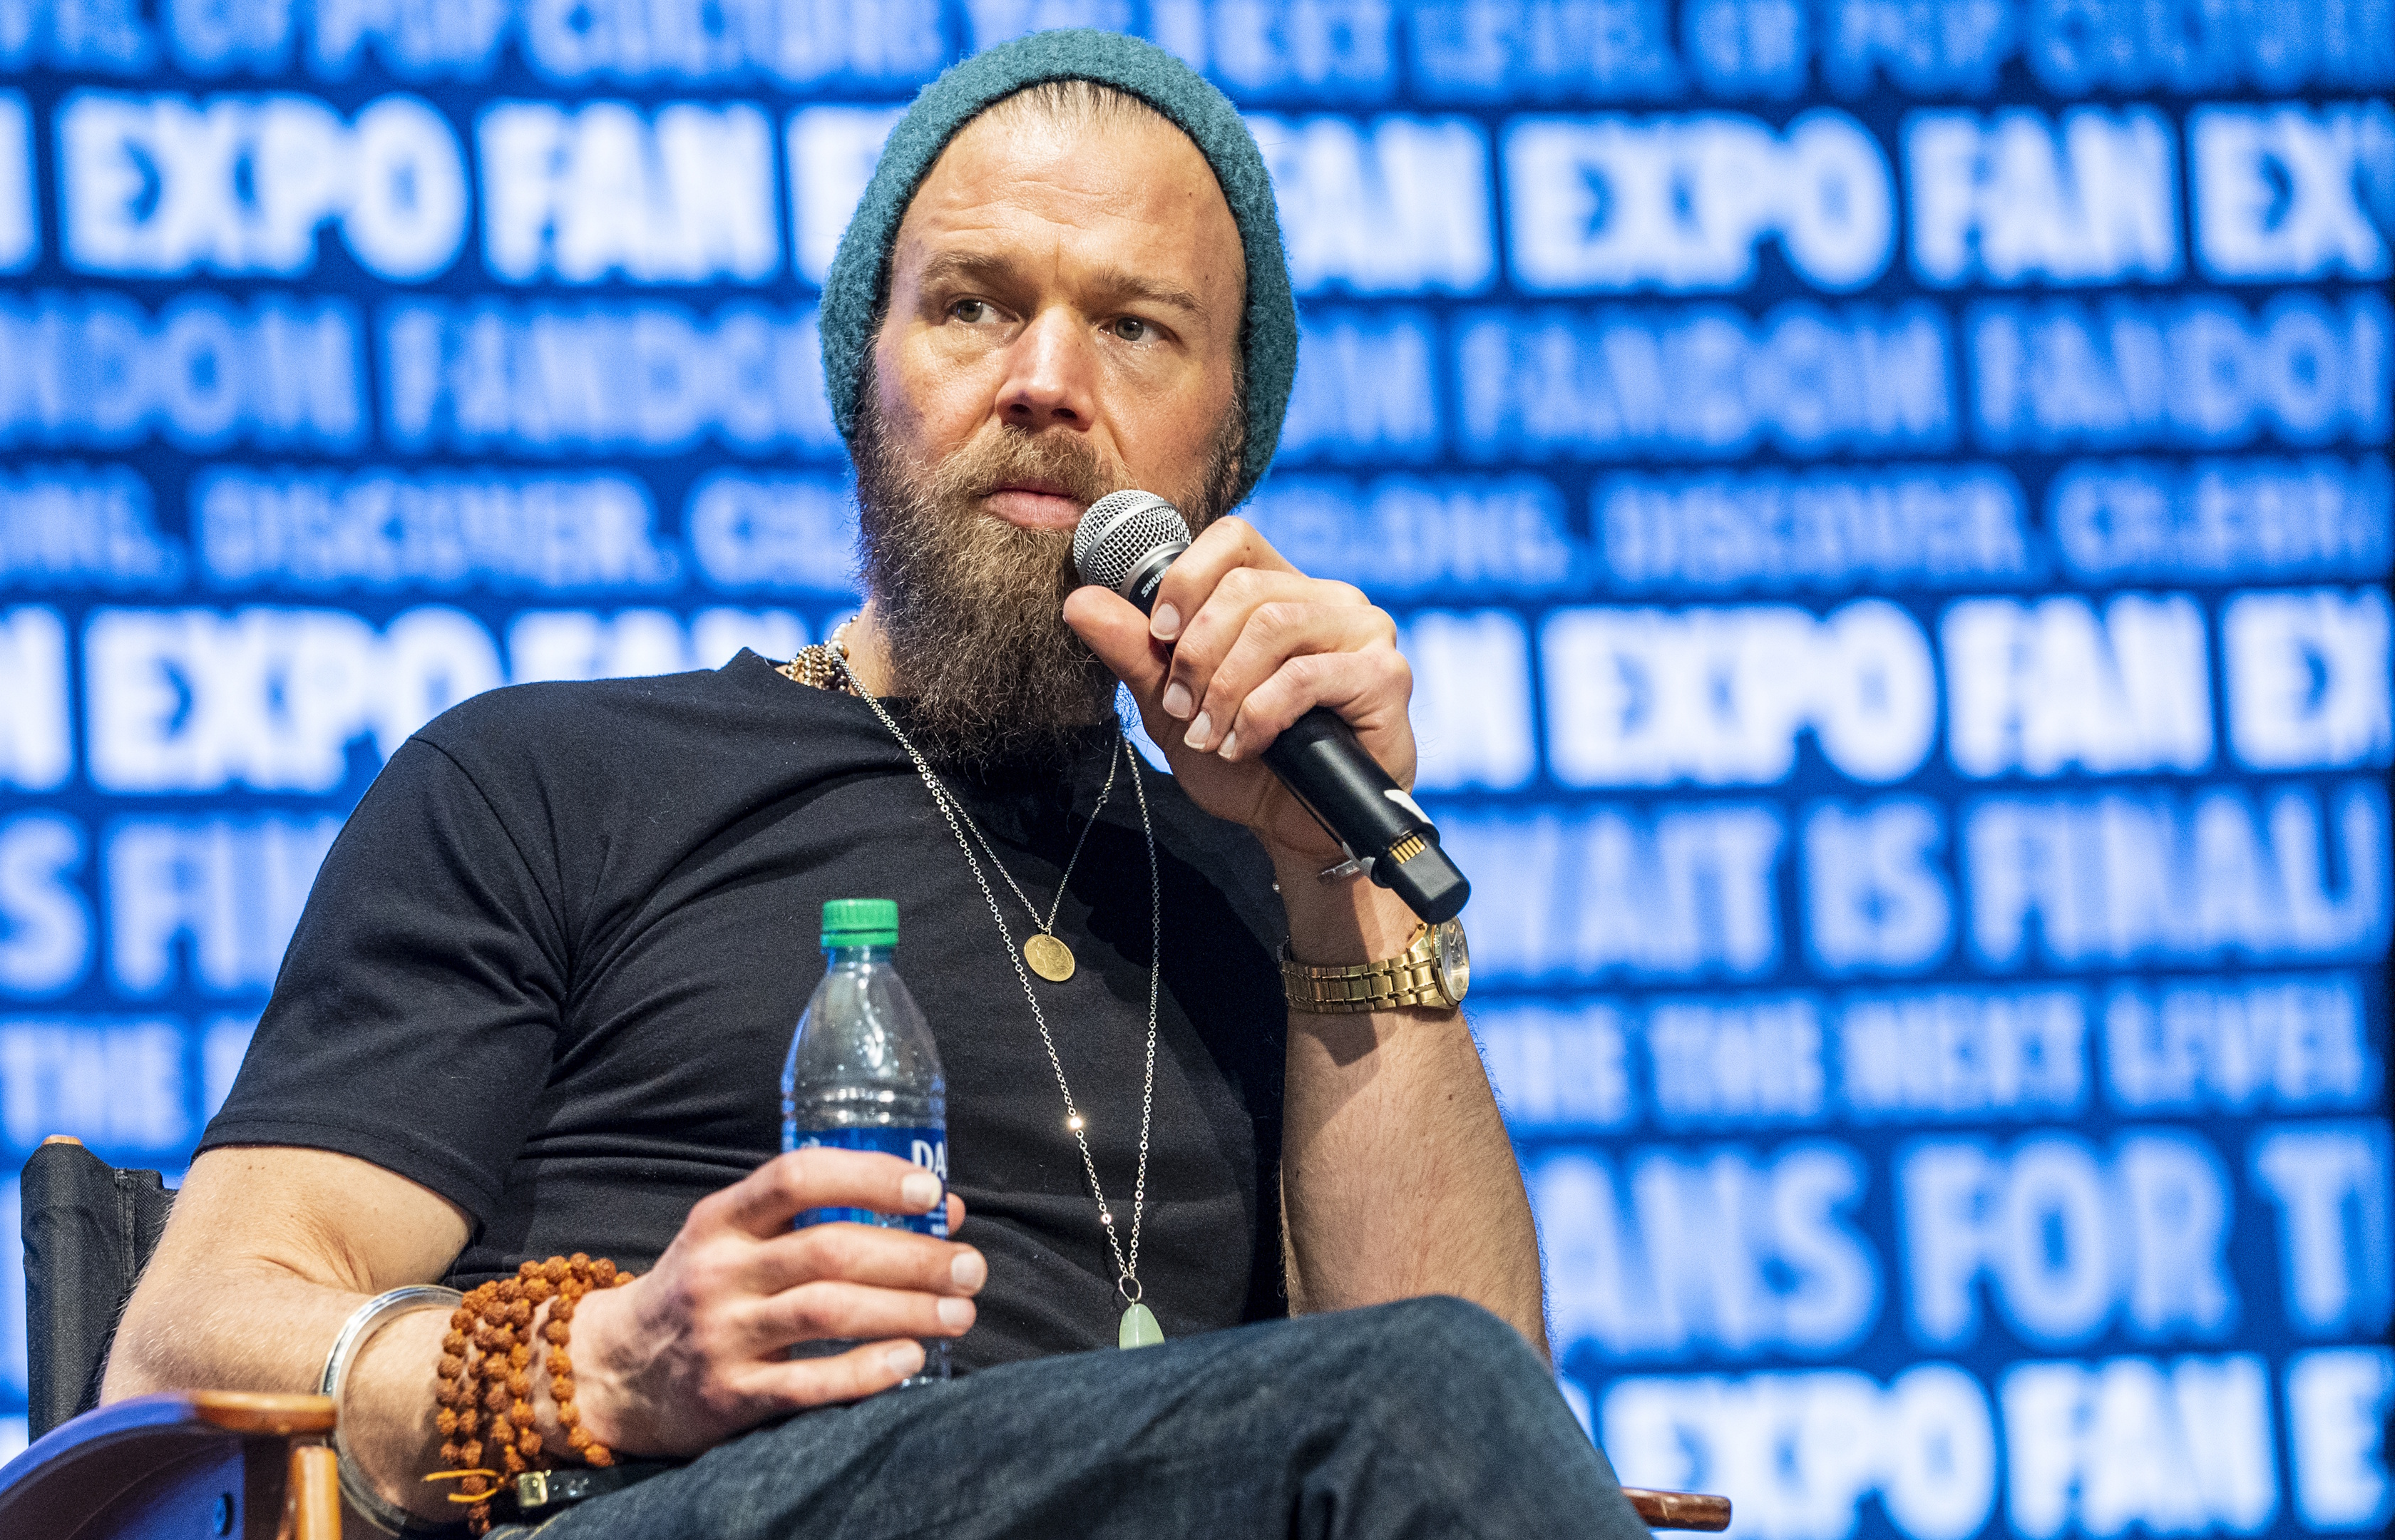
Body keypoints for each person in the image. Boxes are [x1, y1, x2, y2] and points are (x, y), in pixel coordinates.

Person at [105, 29, 1649, 1540]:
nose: (1046, 381)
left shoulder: (1273, 875)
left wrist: (1340, 880)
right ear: (864, 380)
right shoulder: (551, 783)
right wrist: (601, 1361)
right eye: (974, 307)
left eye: (1135, 328)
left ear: (1231, 443)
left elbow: (1469, 1423)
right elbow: (186, 1350)